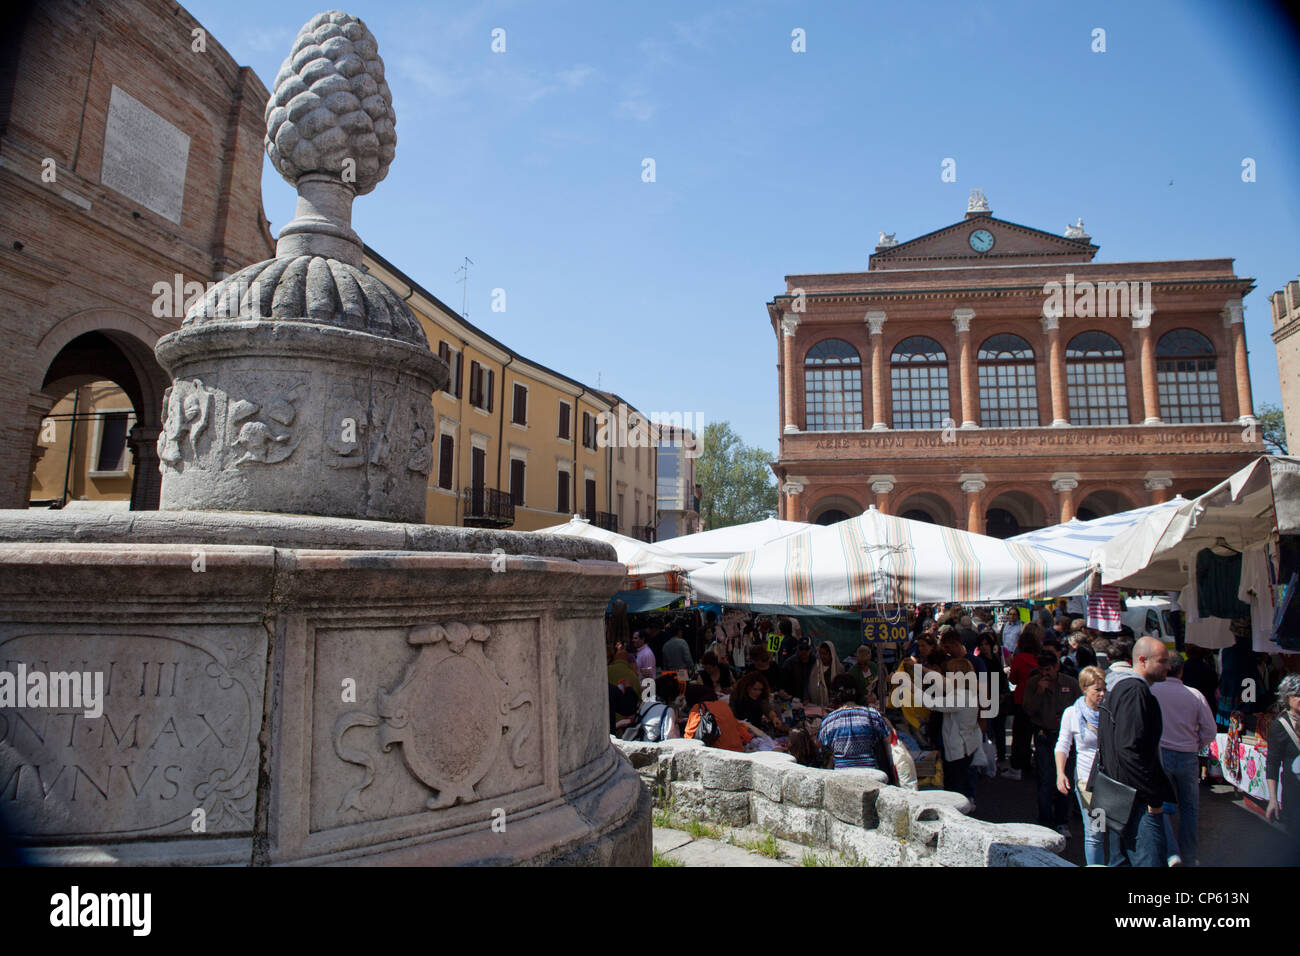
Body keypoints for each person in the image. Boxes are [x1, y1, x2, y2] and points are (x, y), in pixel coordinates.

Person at [1094, 636, 1175, 867]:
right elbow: (1128, 748)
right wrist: (1152, 797)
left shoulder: (1119, 686)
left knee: (1121, 861)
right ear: (1143, 660)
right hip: (1133, 798)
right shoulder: (1133, 691)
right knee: (1147, 859)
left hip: (1120, 794)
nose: (1168, 667)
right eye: (1163, 661)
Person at [1150, 653, 1217, 866]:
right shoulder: (1194, 694)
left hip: (1160, 754)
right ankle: (1189, 856)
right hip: (1188, 756)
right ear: (1181, 671)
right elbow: (1210, 731)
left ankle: (1171, 852)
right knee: (1189, 808)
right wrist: (1196, 744)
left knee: (1158, 804)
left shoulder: (1152, 691)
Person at [1055, 666, 1120, 865]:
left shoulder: (1110, 712)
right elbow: (1063, 744)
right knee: (1096, 832)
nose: (1102, 694)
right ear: (1084, 689)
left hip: (1113, 780)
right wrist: (1060, 773)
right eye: (1097, 690)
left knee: (1118, 831)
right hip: (1088, 783)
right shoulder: (1072, 713)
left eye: (1104, 689)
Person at [1025, 651, 1080, 834]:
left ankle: (1062, 820)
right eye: (1042, 670)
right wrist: (1040, 692)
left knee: (1065, 779)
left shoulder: (1070, 683)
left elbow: (1079, 707)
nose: (1045, 674)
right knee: (1045, 779)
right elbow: (1028, 710)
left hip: (1066, 738)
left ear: (1057, 667)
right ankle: (1045, 820)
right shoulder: (1034, 683)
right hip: (1044, 736)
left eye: (1048, 670)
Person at [931, 658, 983, 804]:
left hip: (959, 749)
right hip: (967, 747)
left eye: (948, 674)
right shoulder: (968, 692)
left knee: (955, 788)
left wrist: (909, 688)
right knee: (961, 783)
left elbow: (932, 704)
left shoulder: (961, 696)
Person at [816, 674, 891, 770]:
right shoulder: (872, 715)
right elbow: (888, 742)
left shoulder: (828, 721)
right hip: (871, 773)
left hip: (842, 777)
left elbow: (819, 746)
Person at [1265, 674, 1300, 848]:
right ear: (1287, 697)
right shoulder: (1280, 726)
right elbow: (1272, 763)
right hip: (1294, 796)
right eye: (1297, 694)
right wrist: (1272, 799)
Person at [1006, 624, 1044, 779]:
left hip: (1022, 700)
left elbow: (1012, 679)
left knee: (1020, 735)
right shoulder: (1041, 658)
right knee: (1038, 734)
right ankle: (1035, 764)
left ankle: (1017, 767)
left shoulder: (1019, 658)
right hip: (1040, 699)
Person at [683, 684, 756, 752]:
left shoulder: (698, 708)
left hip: (717, 753)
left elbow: (689, 735)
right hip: (737, 751)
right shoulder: (723, 705)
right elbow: (738, 729)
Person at [623, 675, 682, 742]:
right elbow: (669, 738)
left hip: (641, 743)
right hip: (654, 748)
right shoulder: (667, 710)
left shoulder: (646, 703)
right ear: (671, 695)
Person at [731, 671, 787, 735]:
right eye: (754, 689)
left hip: (756, 730)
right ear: (747, 687)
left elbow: (767, 708)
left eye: (760, 689)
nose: (758, 693)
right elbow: (732, 716)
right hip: (739, 731)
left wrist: (774, 718)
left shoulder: (761, 696)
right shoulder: (736, 697)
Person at [806, 640, 843, 708]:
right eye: (821, 654)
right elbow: (811, 685)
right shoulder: (816, 668)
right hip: (818, 705)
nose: (822, 656)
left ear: (831, 654)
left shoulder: (839, 669)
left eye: (825, 654)